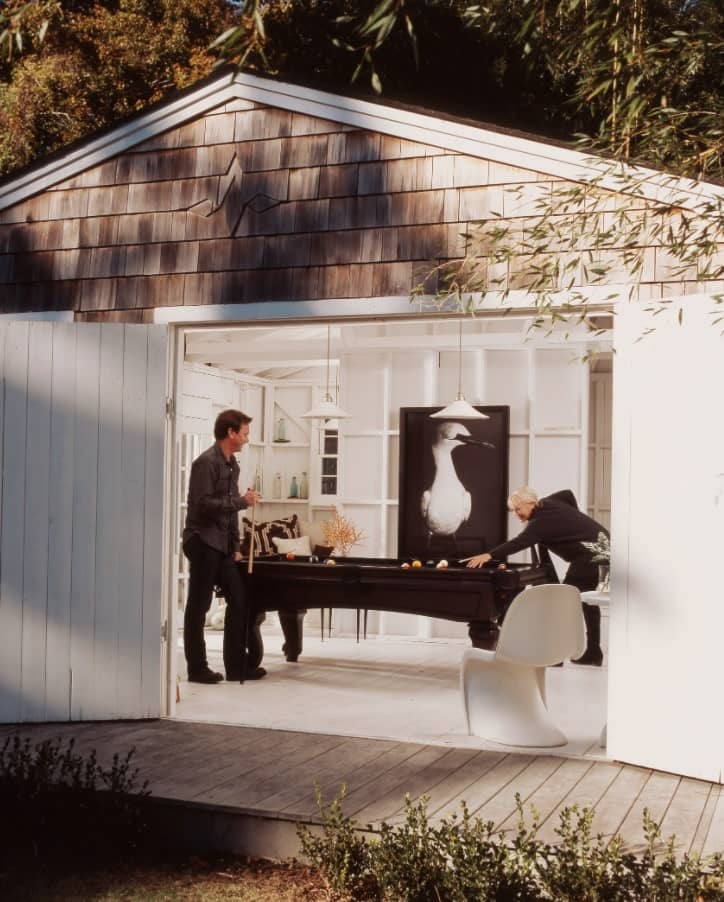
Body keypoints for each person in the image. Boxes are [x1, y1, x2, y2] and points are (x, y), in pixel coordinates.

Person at [465, 486, 608, 666]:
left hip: (590, 555)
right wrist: (574, 520)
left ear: (530, 503)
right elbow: (568, 494)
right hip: (604, 547)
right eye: (513, 511)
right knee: (587, 602)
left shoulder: (540, 523)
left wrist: (489, 555)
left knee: (561, 602)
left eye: (518, 509)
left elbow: (518, 542)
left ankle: (555, 657)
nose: (516, 514)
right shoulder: (551, 502)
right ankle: (594, 652)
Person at [182, 409, 265, 683]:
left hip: (222, 545)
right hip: (202, 541)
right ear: (231, 433)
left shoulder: (232, 465)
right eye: (244, 433)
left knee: (240, 599)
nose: (246, 439)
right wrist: (243, 501)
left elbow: (230, 514)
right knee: (199, 605)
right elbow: (203, 506)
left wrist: (237, 546)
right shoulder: (205, 463)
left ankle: (236, 667)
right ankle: (197, 668)